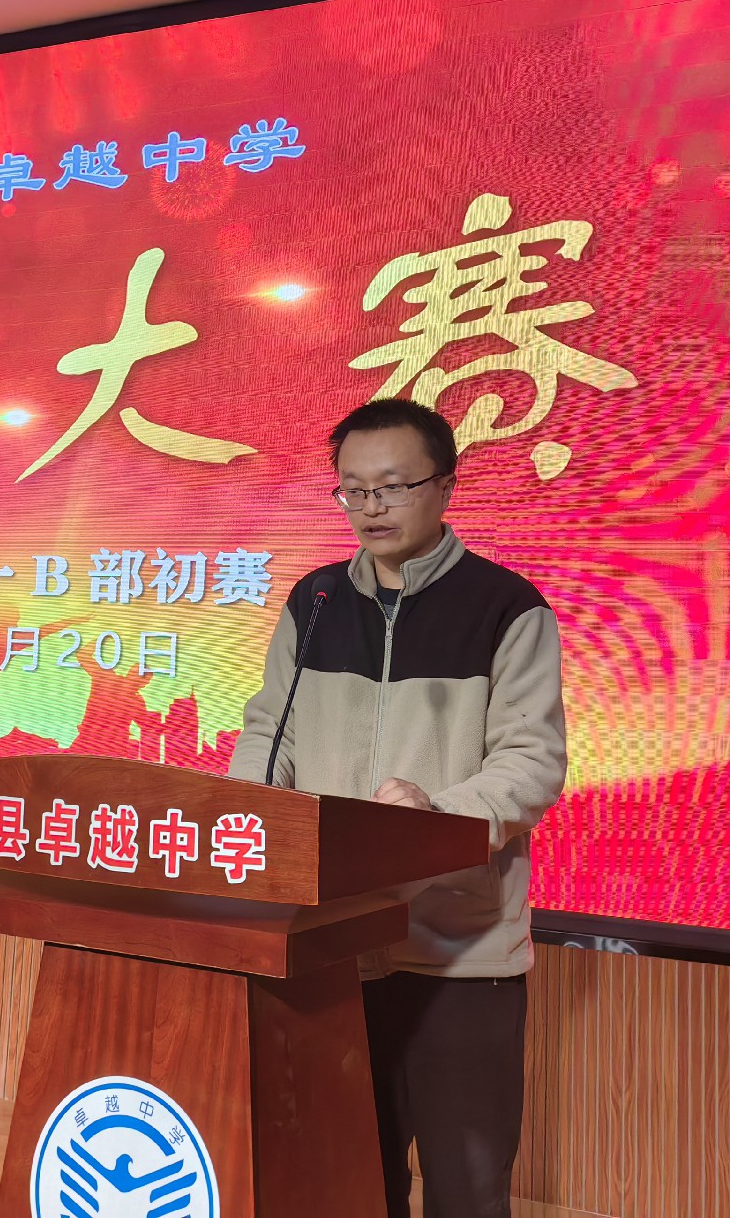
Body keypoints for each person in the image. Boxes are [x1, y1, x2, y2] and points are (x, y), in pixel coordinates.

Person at [229, 397, 567, 1218]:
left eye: (391, 486)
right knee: (347, 1178)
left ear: (445, 485)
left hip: (458, 950)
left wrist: (430, 819)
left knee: (466, 1190)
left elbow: (531, 763)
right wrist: (246, 820)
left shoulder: (505, 608)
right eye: (353, 489)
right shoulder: (314, 603)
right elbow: (271, 733)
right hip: (330, 939)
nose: (370, 507)